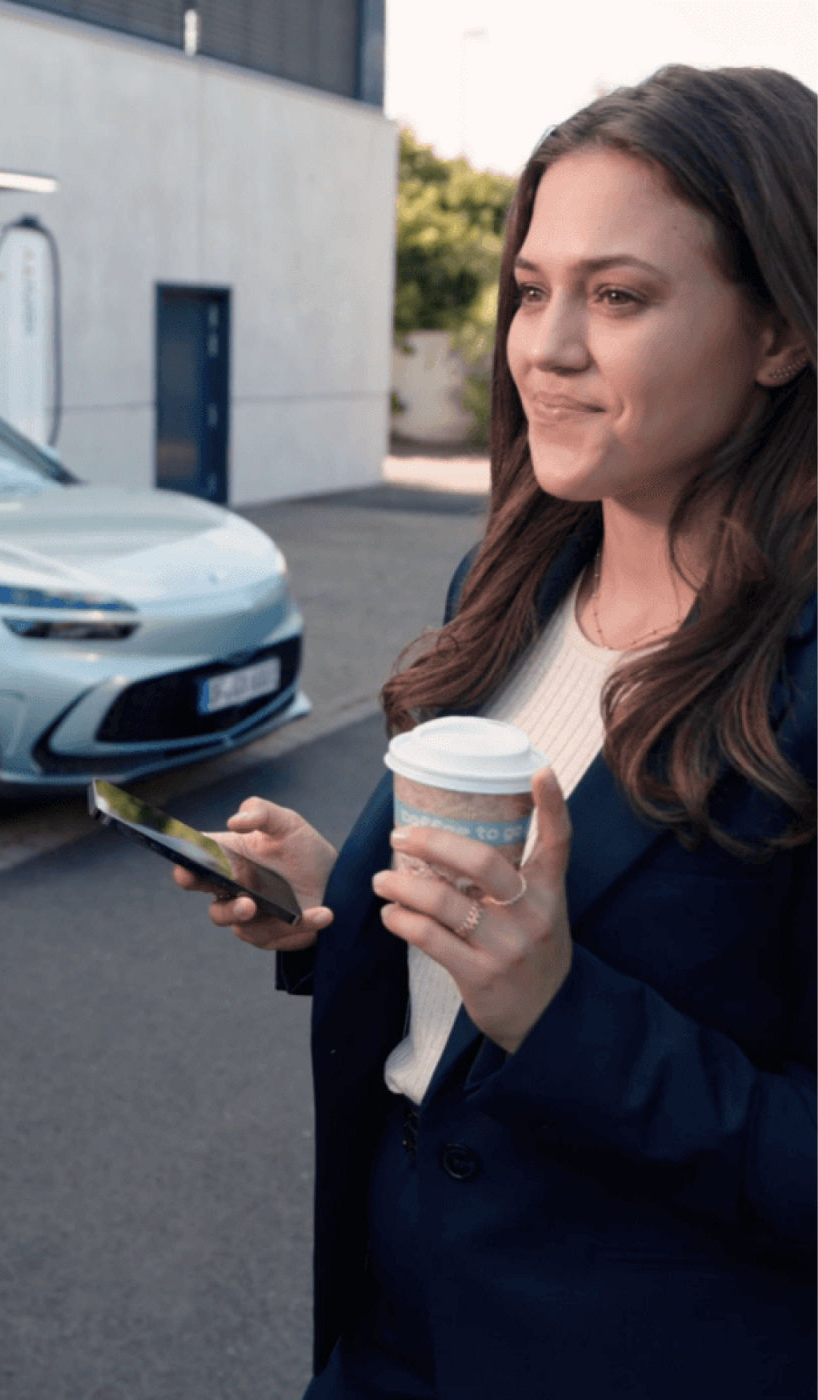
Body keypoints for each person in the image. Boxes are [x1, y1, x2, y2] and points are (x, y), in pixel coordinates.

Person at [175, 65, 815, 1399]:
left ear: (780, 333)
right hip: (388, 1323)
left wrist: (564, 1013)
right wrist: (331, 908)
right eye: (532, 288)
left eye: (620, 295)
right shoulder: (508, 585)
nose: (546, 345)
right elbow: (463, 975)